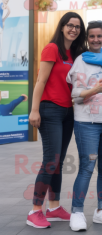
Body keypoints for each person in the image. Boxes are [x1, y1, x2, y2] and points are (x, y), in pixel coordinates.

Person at [27, 12, 87, 229]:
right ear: (62, 27)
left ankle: (53, 207)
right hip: (49, 109)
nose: (74, 29)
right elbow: (40, 81)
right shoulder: (52, 48)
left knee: (58, 162)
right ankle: (34, 211)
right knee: (50, 160)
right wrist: (34, 110)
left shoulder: (75, 53)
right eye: (70, 25)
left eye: (78, 27)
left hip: (68, 112)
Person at [66, 20, 102, 232]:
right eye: (92, 36)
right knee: (87, 168)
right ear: (87, 38)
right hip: (87, 123)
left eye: (99, 36)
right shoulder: (81, 60)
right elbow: (74, 95)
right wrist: (93, 91)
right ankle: (77, 212)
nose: (96, 40)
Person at [0, 0, 11, 67]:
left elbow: (9, 11)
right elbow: (7, 10)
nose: (7, 0)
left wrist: (3, 19)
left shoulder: (3, 5)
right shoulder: (2, 5)